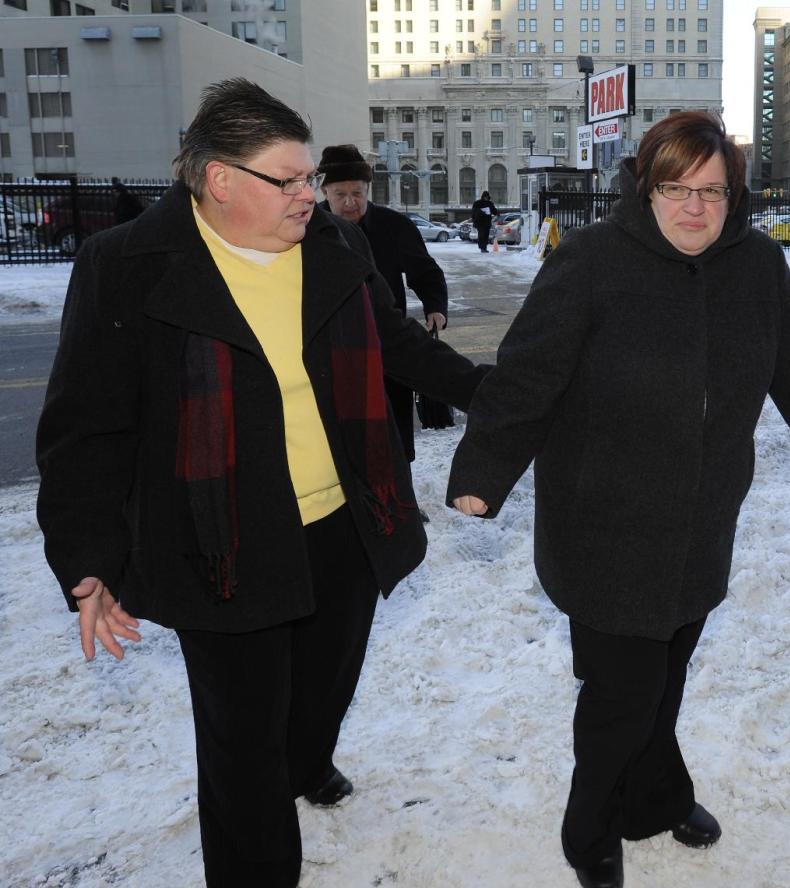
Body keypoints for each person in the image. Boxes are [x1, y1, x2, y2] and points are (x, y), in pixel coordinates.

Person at [36, 78, 487, 888]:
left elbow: (401, 347)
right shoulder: (126, 267)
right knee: (242, 751)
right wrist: (86, 556)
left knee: (317, 698)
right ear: (220, 181)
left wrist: (506, 401)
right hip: (218, 544)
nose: (311, 195)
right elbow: (85, 429)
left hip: (345, 525)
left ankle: (306, 762)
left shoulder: (331, 248)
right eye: (292, 180)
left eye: (312, 178)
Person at [446, 111, 790, 888]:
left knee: (667, 673)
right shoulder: (591, 261)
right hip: (603, 525)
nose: (694, 207)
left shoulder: (755, 267)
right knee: (622, 694)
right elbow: (526, 375)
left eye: (712, 191)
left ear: (736, 195)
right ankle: (590, 832)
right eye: (675, 187)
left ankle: (655, 798)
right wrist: (483, 472)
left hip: (701, 520)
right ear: (645, 188)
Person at [317, 144, 448, 468]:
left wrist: (435, 307)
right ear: (324, 191)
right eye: (340, 194)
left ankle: (399, 498)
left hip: (386, 346)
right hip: (328, 349)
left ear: (367, 189)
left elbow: (426, 271)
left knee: (393, 430)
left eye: (357, 193)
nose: (350, 203)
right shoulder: (308, 228)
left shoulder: (394, 226)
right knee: (338, 434)